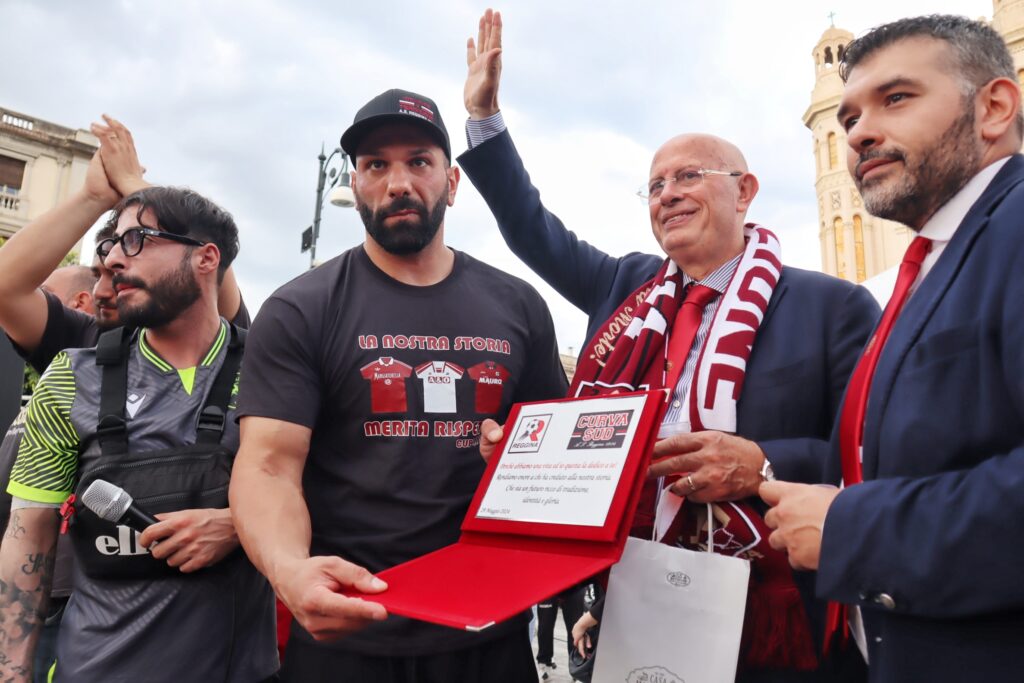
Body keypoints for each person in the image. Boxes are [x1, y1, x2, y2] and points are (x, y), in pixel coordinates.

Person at [462, 10, 879, 681]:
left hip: (776, 616)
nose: (667, 194)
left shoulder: (832, 306)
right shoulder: (624, 285)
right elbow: (531, 228)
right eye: (654, 185)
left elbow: (869, 452)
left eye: (688, 176)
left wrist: (763, 462)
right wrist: (484, 117)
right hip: (638, 594)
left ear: (745, 191)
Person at [229, 89, 568, 683]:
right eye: (375, 165)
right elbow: (267, 466)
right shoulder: (299, 309)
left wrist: (515, 457)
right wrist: (288, 569)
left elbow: (556, 459)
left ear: (453, 182)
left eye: (419, 161)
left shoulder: (518, 305)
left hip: (489, 635)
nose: (398, 182)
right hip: (347, 631)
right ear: (356, 185)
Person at [761, 14, 1024, 682]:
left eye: (896, 98)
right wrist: (756, 464)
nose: (859, 133)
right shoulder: (928, 263)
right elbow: (879, 457)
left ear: (994, 106)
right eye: (846, 118)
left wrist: (856, 531)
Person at [0, 186, 277, 681]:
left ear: (206, 258)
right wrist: (12, 674)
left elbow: (322, 491)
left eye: (138, 240)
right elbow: (28, 538)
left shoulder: (273, 369)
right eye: (112, 245)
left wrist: (241, 526)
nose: (114, 259)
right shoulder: (69, 376)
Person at [0, 115, 248, 379]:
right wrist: (92, 198)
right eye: (99, 273)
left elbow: (211, 257)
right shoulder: (84, 340)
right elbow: (5, 285)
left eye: (137, 242)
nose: (112, 274)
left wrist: (133, 186)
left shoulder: (234, 347)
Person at [0, 265, 94, 683]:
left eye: (45, 292)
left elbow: (6, 284)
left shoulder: (91, 359)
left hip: (54, 599)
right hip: (16, 593)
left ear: (79, 304)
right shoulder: (51, 381)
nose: (33, 300)